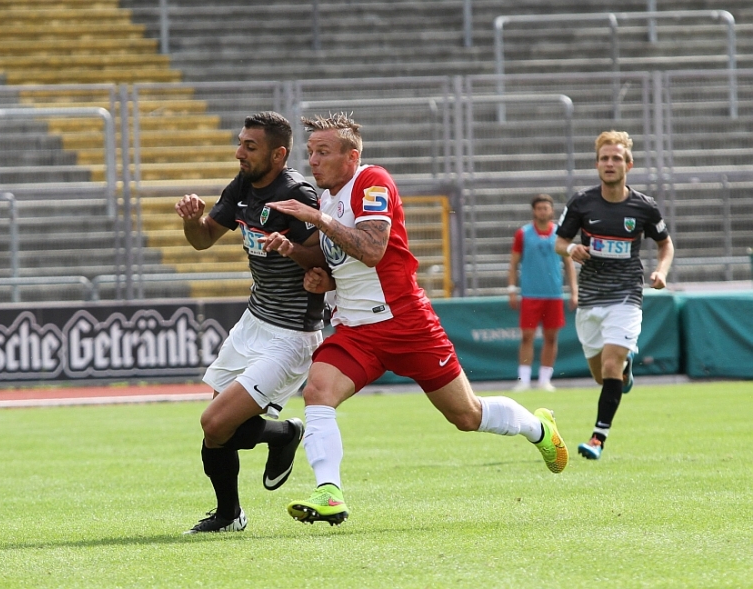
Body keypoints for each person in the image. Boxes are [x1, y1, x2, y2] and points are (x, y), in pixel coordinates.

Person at [264, 113, 567, 526]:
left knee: (466, 416)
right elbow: (338, 259)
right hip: (356, 330)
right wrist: (300, 257)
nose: (313, 161)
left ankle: (538, 428)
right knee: (317, 392)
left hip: (406, 322)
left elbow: (372, 249)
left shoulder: (372, 181)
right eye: (311, 152)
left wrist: (317, 220)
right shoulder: (328, 200)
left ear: (352, 157)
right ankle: (329, 492)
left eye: (323, 152)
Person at [175, 111, 326, 533]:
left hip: (291, 333)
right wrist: (192, 220)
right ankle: (229, 516)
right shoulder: (243, 185)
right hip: (253, 321)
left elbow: (325, 257)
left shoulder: (297, 194)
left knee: (216, 423)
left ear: (278, 154)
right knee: (218, 431)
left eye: (250, 146)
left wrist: (292, 250)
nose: (239, 152)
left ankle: (284, 434)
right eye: (240, 143)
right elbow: (204, 239)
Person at [555, 130, 674, 461]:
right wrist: (571, 249)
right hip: (590, 299)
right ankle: (625, 369)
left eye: (616, 158)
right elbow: (559, 242)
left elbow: (665, 244)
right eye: (604, 158)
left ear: (628, 165)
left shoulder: (644, 206)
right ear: (597, 164)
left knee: (610, 365)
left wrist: (661, 272)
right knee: (602, 375)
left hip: (626, 296)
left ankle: (598, 438)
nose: (610, 163)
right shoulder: (581, 202)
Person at [507, 194, 578, 392]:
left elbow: (569, 264)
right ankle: (524, 380)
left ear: (551, 210)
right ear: (534, 211)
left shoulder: (559, 234)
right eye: (539, 208)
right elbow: (513, 263)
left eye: (545, 208)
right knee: (527, 336)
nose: (542, 212)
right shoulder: (523, 234)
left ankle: (545, 379)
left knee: (551, 337)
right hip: (530, 294)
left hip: (553, 294)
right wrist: (512, 289)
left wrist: (574, 291)